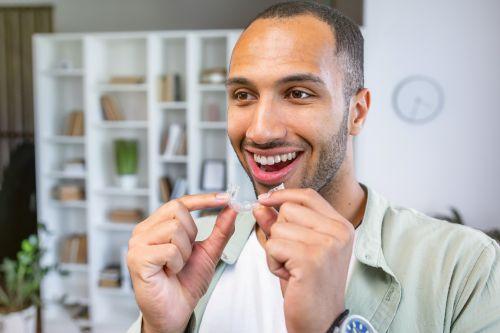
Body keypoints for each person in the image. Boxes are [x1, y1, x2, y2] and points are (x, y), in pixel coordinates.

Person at [127, 1, 500, 332]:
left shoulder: (464, 266)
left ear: (357, 112)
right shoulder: (191, 250)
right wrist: (160, 329)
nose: (260, 130)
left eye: (298, 94)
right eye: (244, 95)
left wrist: (329, 327)